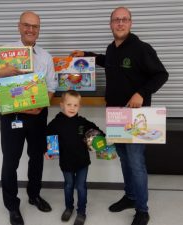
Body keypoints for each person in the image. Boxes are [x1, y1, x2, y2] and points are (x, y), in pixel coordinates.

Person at [70, 6, 169, 225]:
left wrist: (141, 93)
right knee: (124, 159)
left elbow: (162, 74)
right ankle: (130, 197)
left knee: (136, 163)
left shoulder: (142, 48)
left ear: (131, 23)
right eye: (116, 20)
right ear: (111, 24)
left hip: (137, 116)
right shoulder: (113, 48)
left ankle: (142, 210)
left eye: (124, 19)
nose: (120, 23)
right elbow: (108, 61)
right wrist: (85, 55)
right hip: (116, 114)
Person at [0, 11, 57, 225]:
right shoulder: (4, 54)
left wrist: (42, 106)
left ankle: (34, 195)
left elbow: (52, 87)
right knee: (10, 161)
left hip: (38, 116)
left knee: (37, 157)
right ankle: (12, 206)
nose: (31, 30)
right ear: (19, 26)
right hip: (12, 115)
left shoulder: (46, 56)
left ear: (39, 30)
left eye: (35, 26)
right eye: (26, 25)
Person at [46, 90, 105, 225]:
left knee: (81, 187)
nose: (72, 108)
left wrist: (102, 138)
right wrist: (46, 150)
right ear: (62, 105)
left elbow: (97, 130)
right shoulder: (56, 123)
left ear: (79, 106)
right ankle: (69, 208)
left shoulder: (82, 122)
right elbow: (47, 136)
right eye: (69, 104)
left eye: (75, 105)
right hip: (66, 162)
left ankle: (81, 212)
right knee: (68, 186)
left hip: (82, 162)